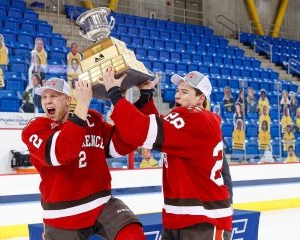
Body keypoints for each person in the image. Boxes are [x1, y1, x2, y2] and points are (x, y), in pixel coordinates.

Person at [100, 68, 232, 239]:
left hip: (203, 220)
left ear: (200, 99)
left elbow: (142, 131)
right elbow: (157, 127)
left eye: (185, 92)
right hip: (179, 218)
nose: (177, 95)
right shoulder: (189, 120)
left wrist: (114, 93)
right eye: (178, 90)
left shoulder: (196, 118)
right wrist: (146, 96)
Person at [21, 77, 146, 240]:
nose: (47, 101)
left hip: (101, 203)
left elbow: (119, 146)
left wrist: (132, 98)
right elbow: (62, 152)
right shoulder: (35, 129)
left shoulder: (92, 119)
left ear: (68, 100)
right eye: (44, 97)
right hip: (62, 213)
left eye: (54, 96)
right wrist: (82, 106)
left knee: (132, 235)